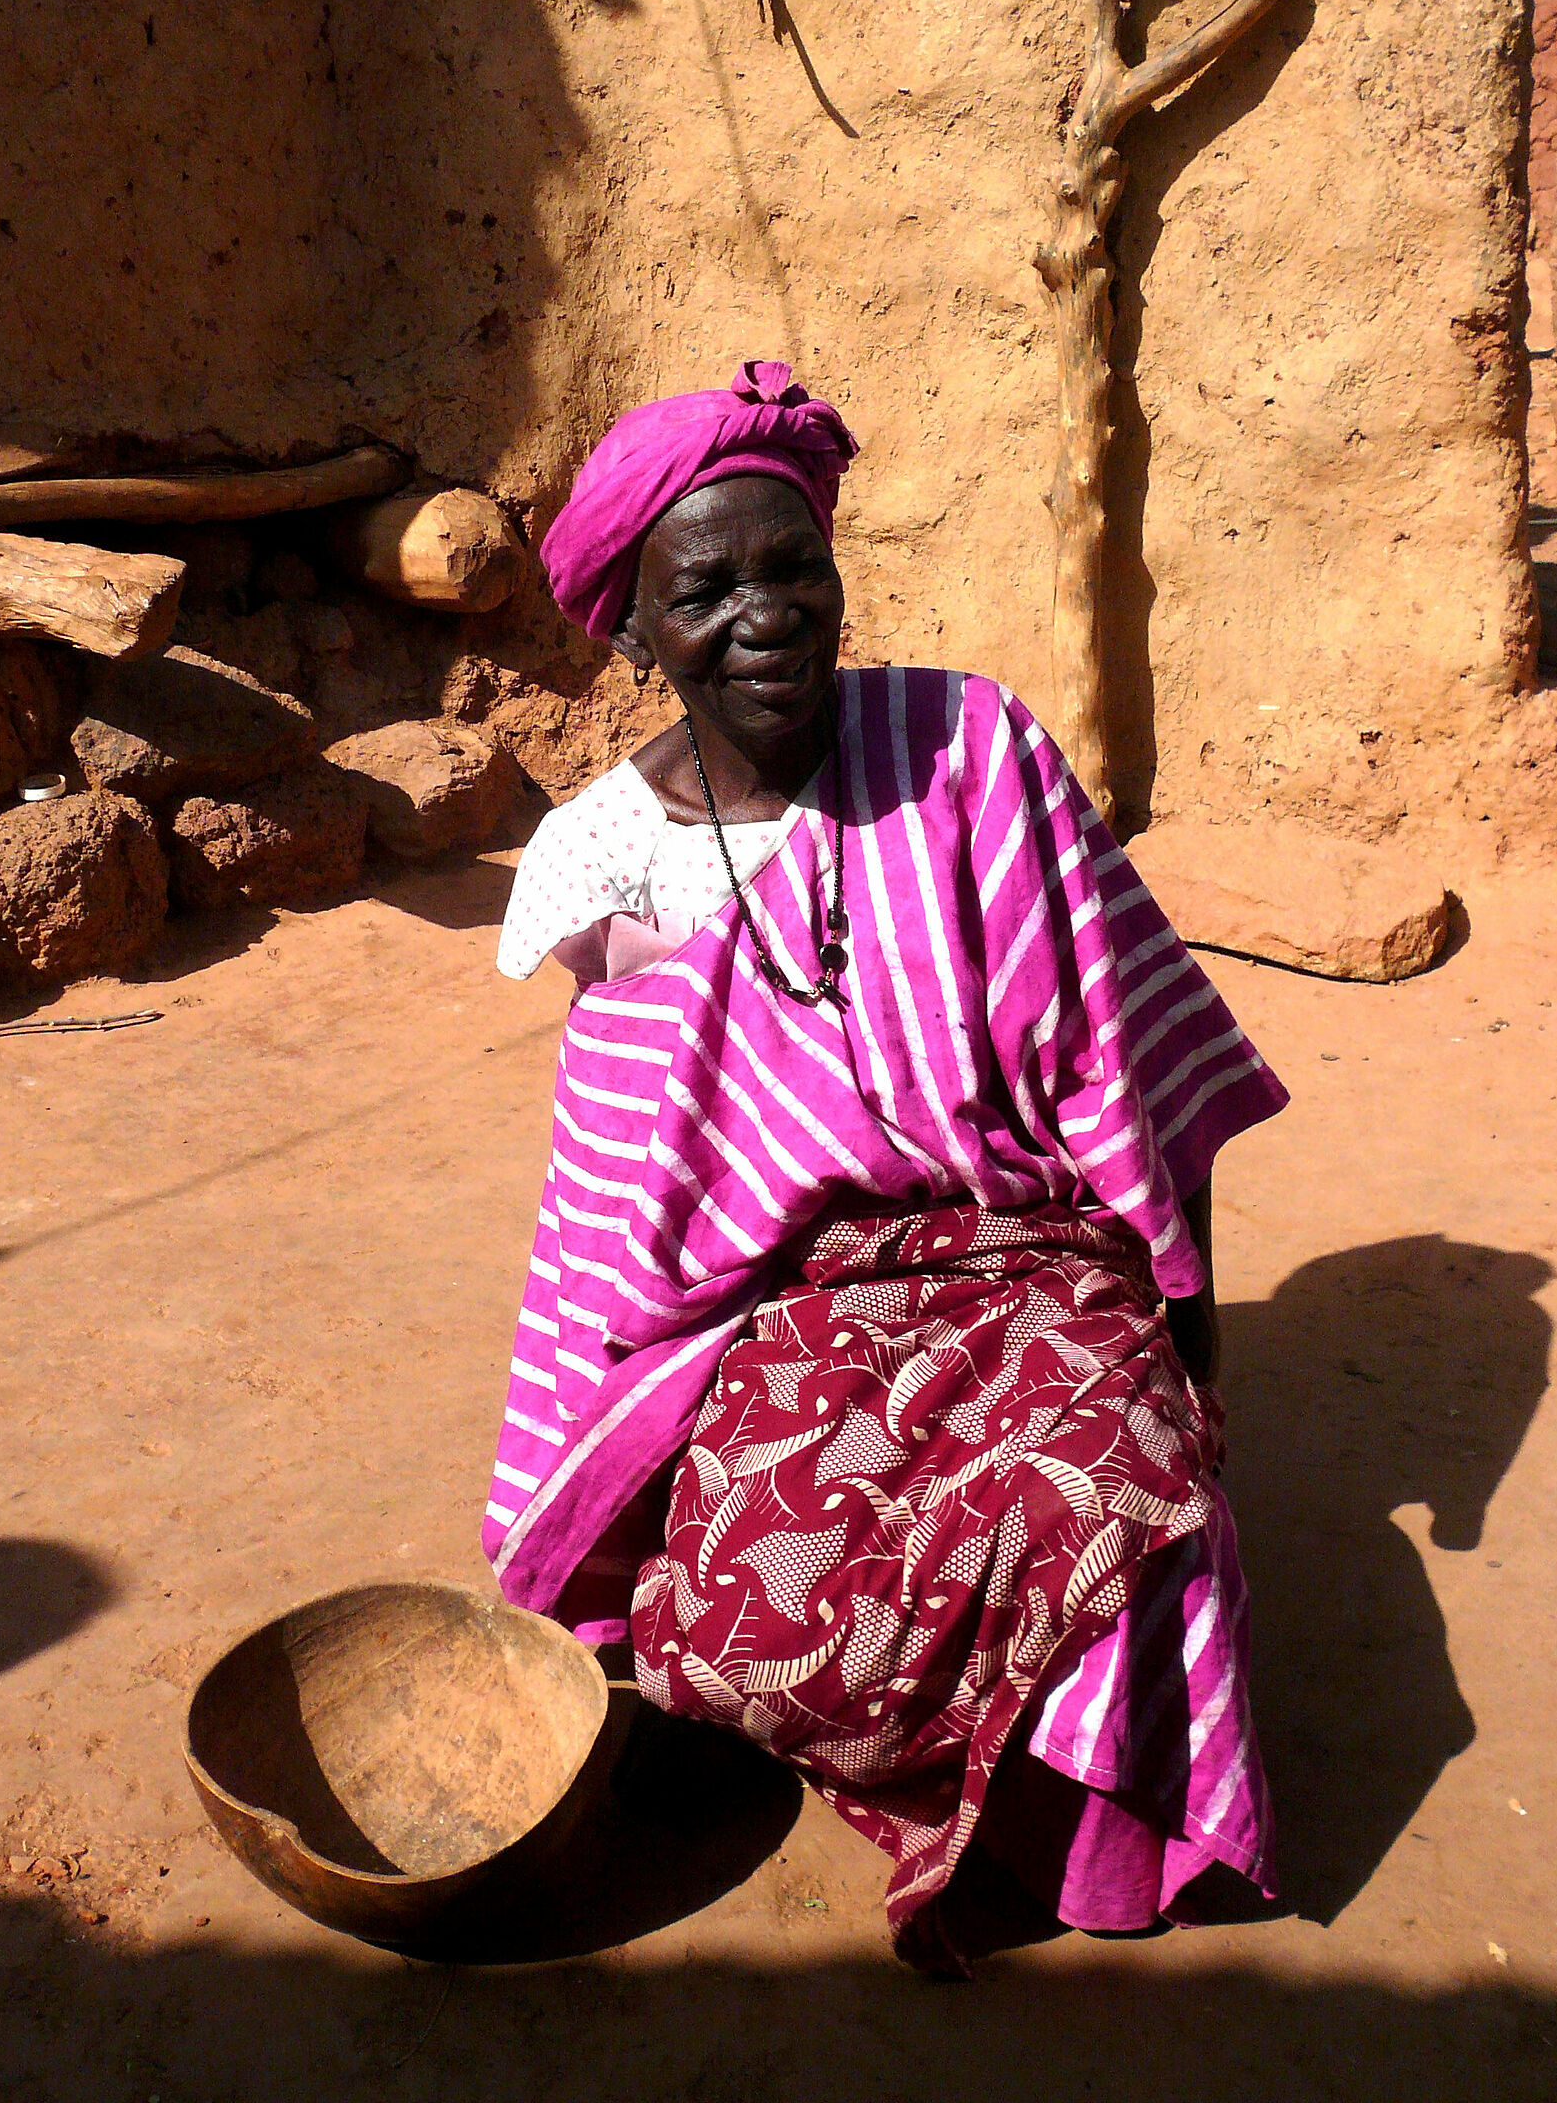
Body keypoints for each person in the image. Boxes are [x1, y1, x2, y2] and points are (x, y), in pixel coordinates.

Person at [485, 361, 1288, 1972]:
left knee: (1125, 1484)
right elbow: (626, 1195)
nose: (765, 614)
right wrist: (598, 1471)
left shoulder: (972, 748)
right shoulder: (599, 857)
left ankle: (1080, 1821)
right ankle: (932, 1760)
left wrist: (1183, 1319)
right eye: (705, 588)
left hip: (1025, 1247)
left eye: (793, 569)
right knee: (741, 1609)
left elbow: (1119, 1041)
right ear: (635, 632)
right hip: (780, 1304)